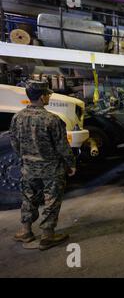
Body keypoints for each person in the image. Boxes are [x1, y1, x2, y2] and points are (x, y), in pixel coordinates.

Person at [10, 80, 75, 250]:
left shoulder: (17, 118)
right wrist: (71, 164)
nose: (49, 96)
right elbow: (62, 146)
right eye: (48, 94)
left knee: (28, 198)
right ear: (41, 97)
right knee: (51, 200)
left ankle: (25, 231)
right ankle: (47, 235)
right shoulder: (52, 119)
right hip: (51, 168)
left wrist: (26, 158)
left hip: (28, 168)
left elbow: (14, 143)